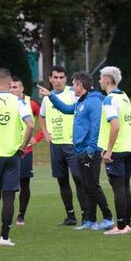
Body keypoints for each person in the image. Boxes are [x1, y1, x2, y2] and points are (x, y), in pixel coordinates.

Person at [39, 72, 114, 231]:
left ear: (81, 86)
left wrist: (91, 150)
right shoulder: (81, 101)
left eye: (74, 84)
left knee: (92, 185)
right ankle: (90, 220)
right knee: (86, 186)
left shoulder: (93, 101)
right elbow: (66, 109)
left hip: (89, 151)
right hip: (79, 150)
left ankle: (108, 218)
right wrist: (50, 96)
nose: (72, 87)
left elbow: (95, 126)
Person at [0, 68, 34, 247]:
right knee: (9, 196)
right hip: (12, 153)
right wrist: (23, 146)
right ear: (11, 83)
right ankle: (5, 237)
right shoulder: (19, 102)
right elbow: (31, 125)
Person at [39, 65, 86, 226]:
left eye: (61, 77)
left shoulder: (72, 94)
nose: (58, 80)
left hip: (72, 144)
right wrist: (45, 132)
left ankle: (86, 215)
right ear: (50, 79)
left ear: (65, 79)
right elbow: (42, 116)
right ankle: (71, 216)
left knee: (79, 179)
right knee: (62, 180)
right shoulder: (47, 98)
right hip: (56, 145)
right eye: (55, 77)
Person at [98, 66, 131, 235]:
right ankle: (127, 224)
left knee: (118, 188)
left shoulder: (109, 100)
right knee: (125, 186)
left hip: (117, 151)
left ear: (107, 80)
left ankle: (120, 226)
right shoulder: (124, 96)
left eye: (100, 78)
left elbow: (115, 125)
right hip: (129, 147)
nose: (99, 81)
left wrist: (109, 150)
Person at [9, 76, 44, 225]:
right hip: (8, 150)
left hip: (25, 152)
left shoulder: (31, 104)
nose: (12, 90)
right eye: (10, 87)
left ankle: (21, 215)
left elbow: (44, 122)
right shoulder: (5, 103)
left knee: (24, 183)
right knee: (4, 184)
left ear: (22, 89)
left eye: (15, 87)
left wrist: (37, 138)